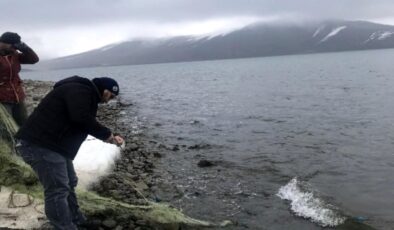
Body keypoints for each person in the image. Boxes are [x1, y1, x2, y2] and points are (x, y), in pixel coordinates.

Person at [15, 76, 124, 229]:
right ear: (104, 90)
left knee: (70, 182)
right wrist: (108, 135)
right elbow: (80, 117)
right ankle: (64, 226)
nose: (109, 99)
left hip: (55, 146)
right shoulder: (80, 90)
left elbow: (78, 119)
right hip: (39, 145)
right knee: (57, 189)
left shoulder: (86, 93)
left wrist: (107, 135)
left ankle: (77, 219)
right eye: (110, 95)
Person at [0, 31, 39, 126]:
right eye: (12, 44)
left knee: (23, 123)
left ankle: (22, 140)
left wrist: (25, 49)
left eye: (16, 45)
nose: (14, 47)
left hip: (17, 94)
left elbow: (33, 60)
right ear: (3, 43)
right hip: (2, 97)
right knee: (7, 126)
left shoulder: (14, 54)